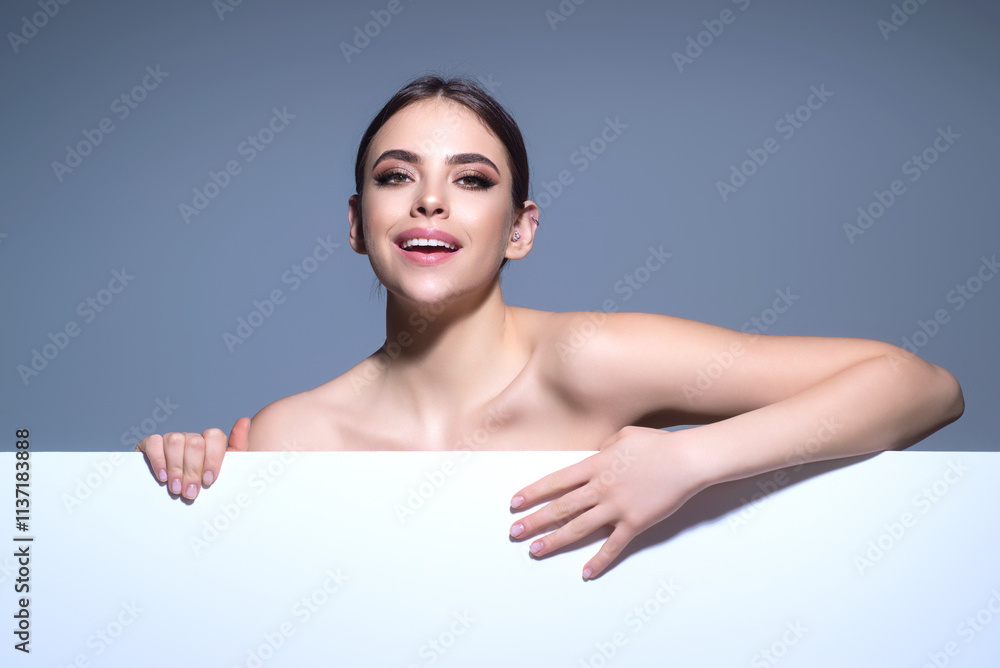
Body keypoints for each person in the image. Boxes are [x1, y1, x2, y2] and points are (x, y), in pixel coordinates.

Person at [136, 73, 964, 580]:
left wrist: (688, 458)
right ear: (358, 223)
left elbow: (924, 388)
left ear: (521, 229)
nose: (430, 201)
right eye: (397, 177)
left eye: (471, 179)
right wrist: (190, 485)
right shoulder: (296, 430)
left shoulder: (587, 361)